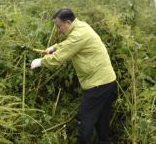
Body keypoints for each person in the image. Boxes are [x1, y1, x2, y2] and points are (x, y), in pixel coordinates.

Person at [31, 8, 117, 144]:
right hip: (107, 81)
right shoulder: (81, 26)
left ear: (68, 22)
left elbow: (59, 58)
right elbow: (70, 43)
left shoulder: (78, 35)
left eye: (59, 26)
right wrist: (55, 47)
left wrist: (40, 62)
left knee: (85, 117)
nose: (58, 30)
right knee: (101, 120)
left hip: (98, 84)